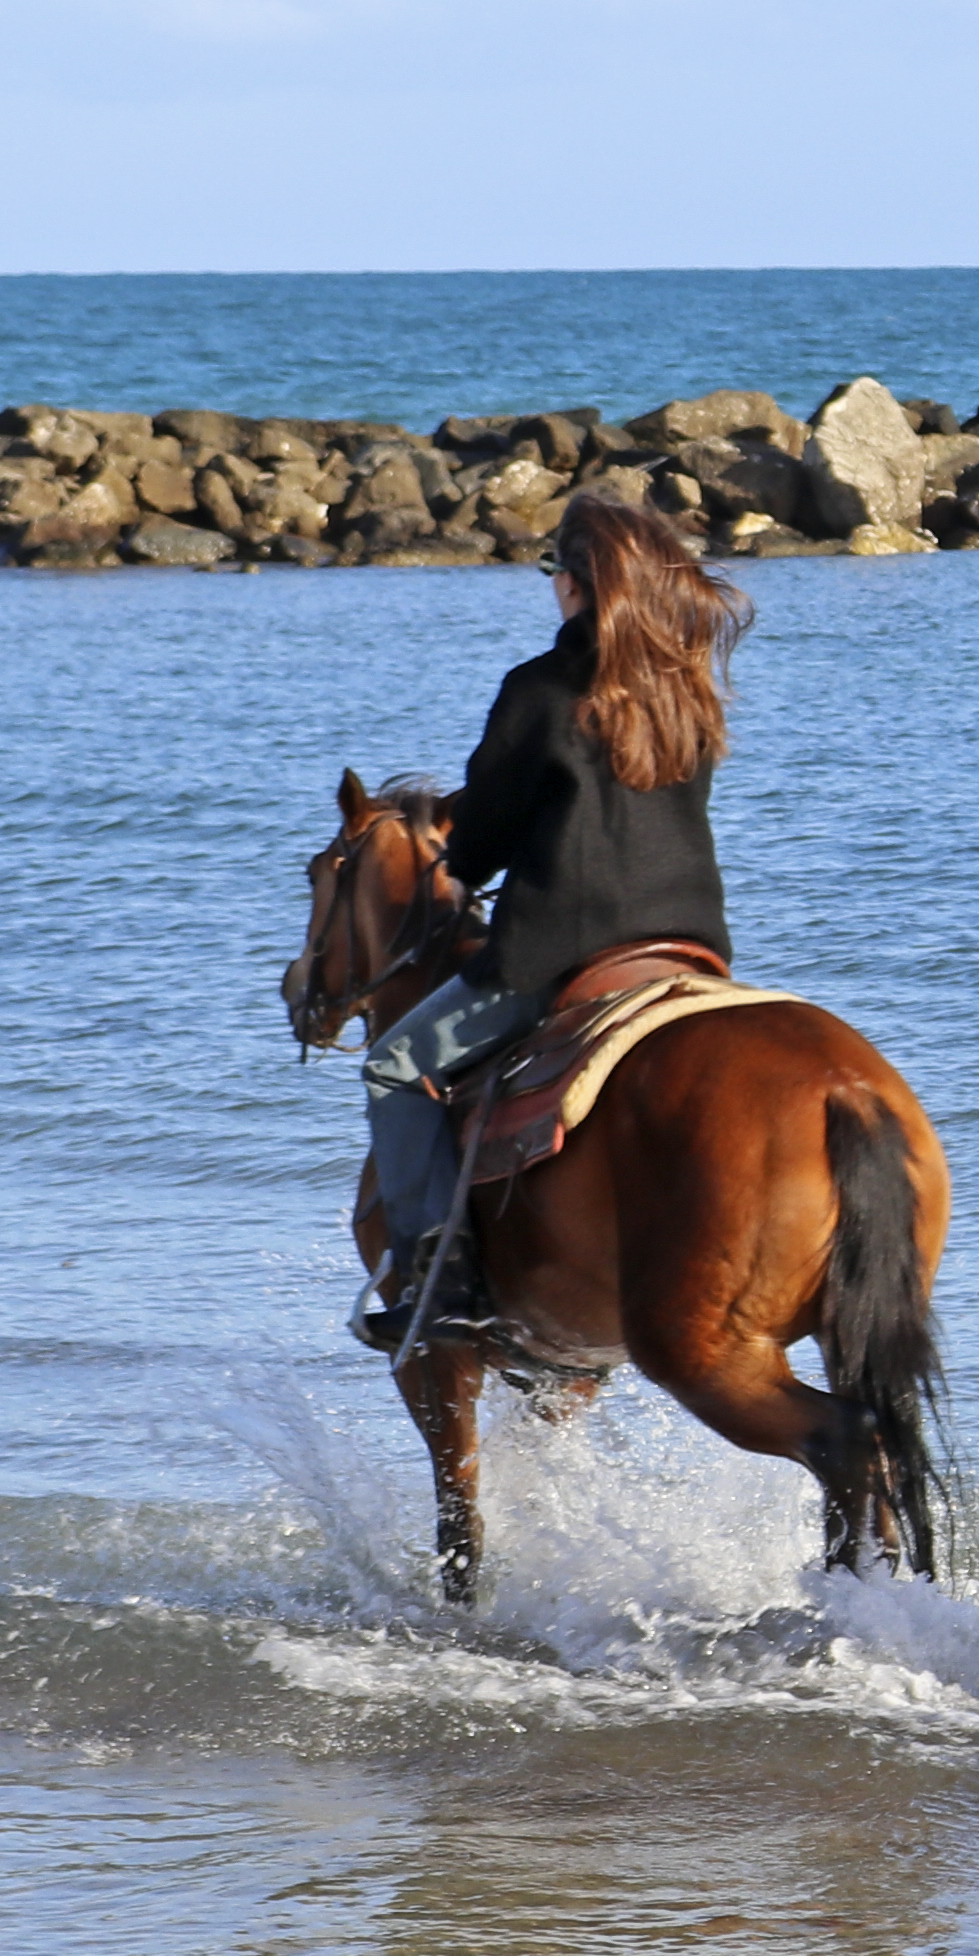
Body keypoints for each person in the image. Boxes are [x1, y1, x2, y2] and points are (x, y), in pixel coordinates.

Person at [354, 487, 748, 1349]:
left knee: (392, 1067)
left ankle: (439, 1282)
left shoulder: (536, 689)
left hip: (564, 954)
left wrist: (458, 867)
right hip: (689, 952)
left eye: (552, 569)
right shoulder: (686, 687)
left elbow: (482, 837)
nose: (551, 586)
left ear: (577, 583)